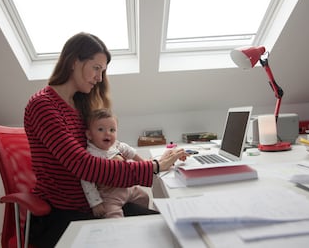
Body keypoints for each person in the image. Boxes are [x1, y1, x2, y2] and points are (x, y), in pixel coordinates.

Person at [24, 32, 187, 247]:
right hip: (65, 213)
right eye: (96, 68)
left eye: (103, 71)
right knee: (158, 236)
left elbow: (100, 151)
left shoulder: (78, 106)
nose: (100, 78)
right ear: (74, 62)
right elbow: (83, 166)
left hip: (97, 203)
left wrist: (118, 158)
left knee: (167, 228)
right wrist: (154, 166)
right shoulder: (43, 106)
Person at [83, 108, 151, 218]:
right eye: (101, 129)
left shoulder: (115, 145)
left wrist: (143, 163)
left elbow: (129, 151)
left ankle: (138, 221)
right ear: (89, 134)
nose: (107, 133)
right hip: (110, 195)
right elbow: (86, 180)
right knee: (112, 215)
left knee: (144, 197)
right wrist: (95, 203)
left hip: (127, 188)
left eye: (112, 130)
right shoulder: (90, 155)